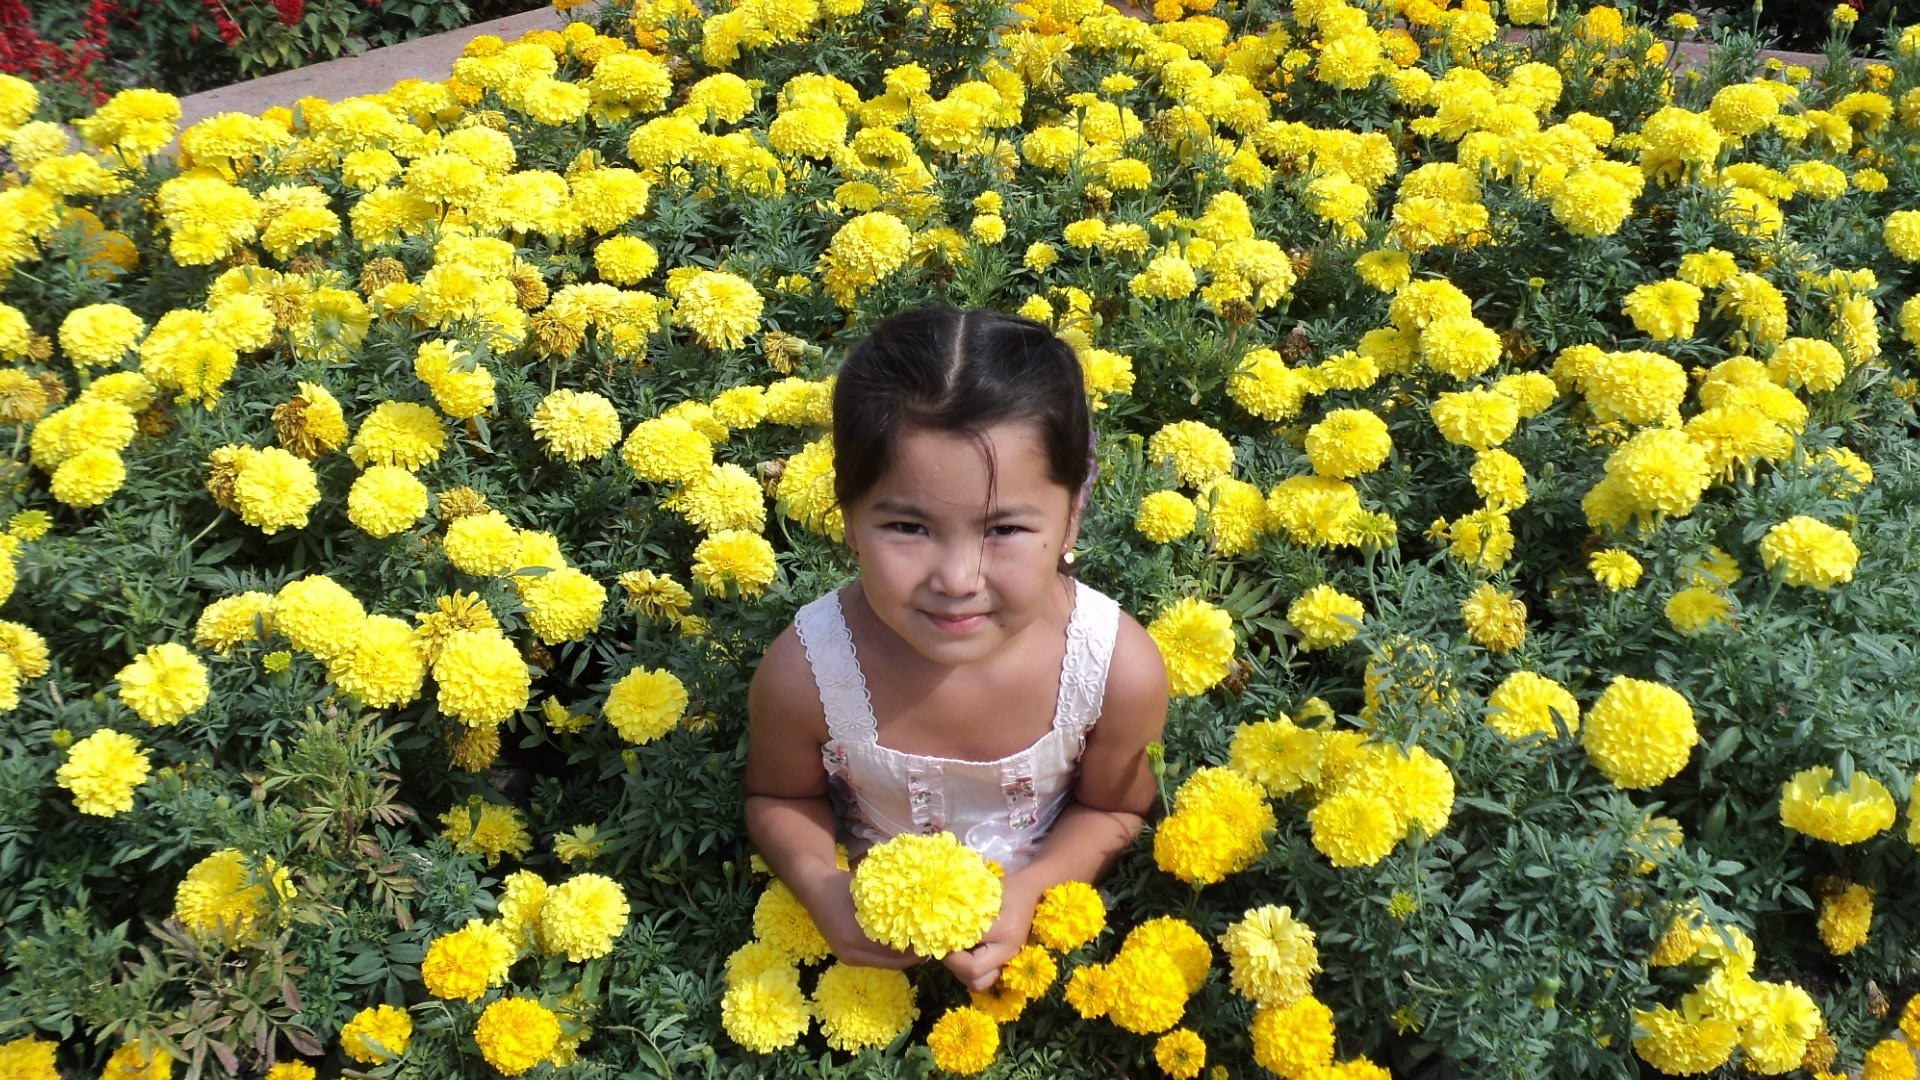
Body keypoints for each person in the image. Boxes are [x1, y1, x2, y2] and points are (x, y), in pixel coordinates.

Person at [743, 307, 1168, 993]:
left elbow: (1115, 809)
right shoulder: (809, 673)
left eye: (1001, 528)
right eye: (908, 526)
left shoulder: (1115, 671)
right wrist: (824, 888)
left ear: (1072, 515)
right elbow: (777, 796)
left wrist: (1031, 890)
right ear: (849, 516)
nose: (957, 579)